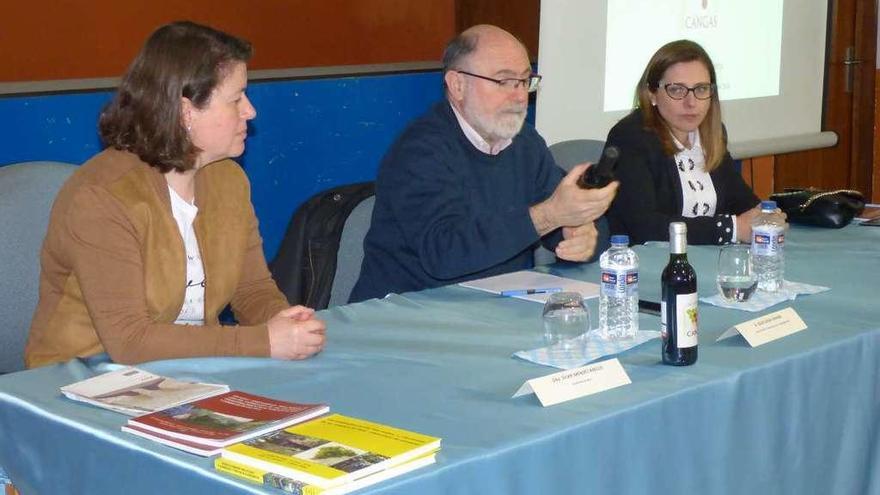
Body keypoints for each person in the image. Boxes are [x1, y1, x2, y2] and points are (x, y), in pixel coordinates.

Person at [25, 21, 325, 368]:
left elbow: (251, 290)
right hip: (84, 376)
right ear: (186, 112)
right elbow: (131, 341)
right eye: (236, 99)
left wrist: (287, 322)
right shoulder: (103, 197)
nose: (250, 111)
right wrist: (263, 341)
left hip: (188, 372)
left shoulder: (228, 180)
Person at [349, 25, 617, 303]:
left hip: (498, 307)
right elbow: (443, 255)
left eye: (525, 81)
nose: (519, 96)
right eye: (504, 82)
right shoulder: (420, 151)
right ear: (457, 85)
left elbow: (564, 215)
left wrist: (582, 236)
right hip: (409, 316)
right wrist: (549, 215)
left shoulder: (524, 141)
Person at [605, 39, 762, 245]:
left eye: (701, 89)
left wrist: (764, 217)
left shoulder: (711, 134)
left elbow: (742, 202)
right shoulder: (630, 137)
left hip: (707, 262)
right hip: (648, 266)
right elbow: (645, 227)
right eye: (677, 90)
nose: (691, 102)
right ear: (652, 93)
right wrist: (730, 229)